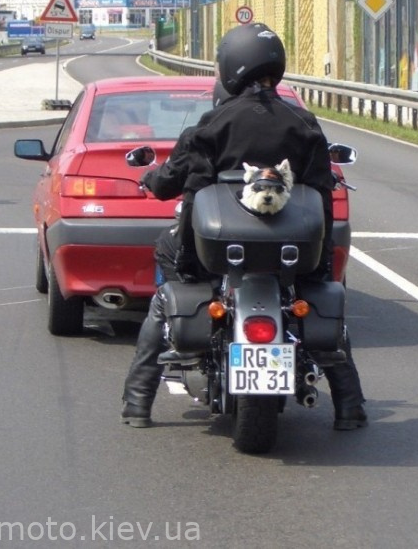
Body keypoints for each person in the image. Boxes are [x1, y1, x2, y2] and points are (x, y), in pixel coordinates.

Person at [122, 22, 367, 431]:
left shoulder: (212, 125)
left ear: (231, 65)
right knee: (323, 315)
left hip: (215, 256)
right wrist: (321, 262)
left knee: (165, 286)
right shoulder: (303, 124)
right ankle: (350, 408)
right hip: (292, 256)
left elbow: (169, 182)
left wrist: (151, 179)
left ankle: (136, 403)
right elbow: (323, 191)